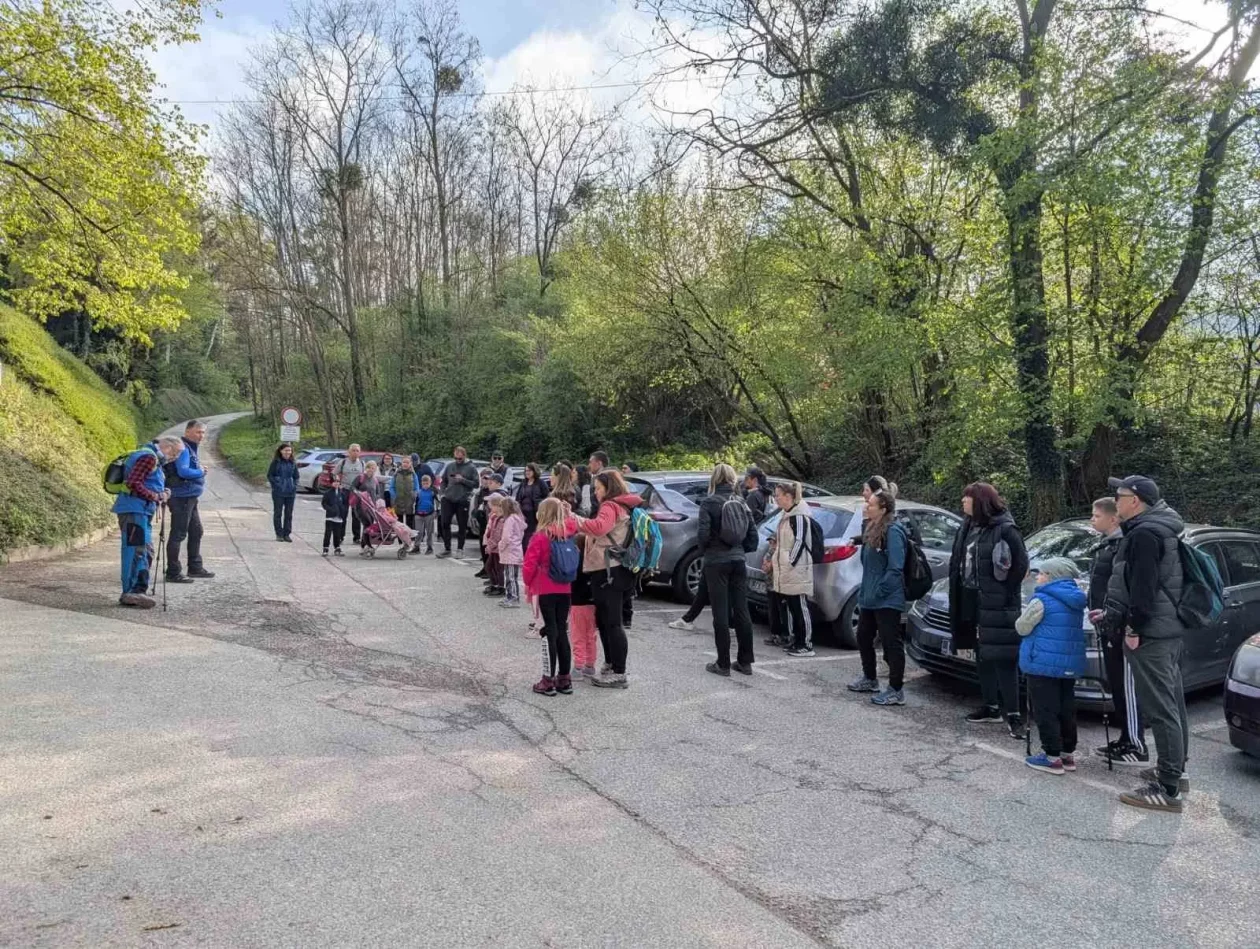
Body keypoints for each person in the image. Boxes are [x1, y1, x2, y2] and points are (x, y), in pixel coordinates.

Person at [1098, 475, 1191, 814]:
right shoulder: (1160, 528)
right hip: (1167, 631)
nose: (1116, 501)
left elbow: (1143, 588)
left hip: (1151, 634)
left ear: (1134, 501)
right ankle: (1176, 771)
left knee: (1161, 708)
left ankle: (1167, 788)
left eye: (1119, 496)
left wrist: (1133, 626)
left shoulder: (1145, 534)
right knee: (1173, 703)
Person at [948, 482, 1029, 738]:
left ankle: (1014, 714)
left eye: (967, 497)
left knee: (1004, 658)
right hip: (969, 600)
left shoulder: (1005, 530)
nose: (963, 501)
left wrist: (1002, 594)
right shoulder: (968, 526)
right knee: (979, 653)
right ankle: (990, 706)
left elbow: (1020, 567)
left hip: (998, 604)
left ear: (980, 501)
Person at [1087, 496, 1148, 766]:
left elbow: (1125, 588)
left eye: (1096, 516)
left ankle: (1136, 744)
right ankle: (1125, 737)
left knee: (1127, 685)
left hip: (1120, 625)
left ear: (1114, 518)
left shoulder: (1123, 545)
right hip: (1107, 623)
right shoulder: (1106, 545)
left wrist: (1123, 621)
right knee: (1116, 684)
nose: (1092, 519)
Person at [569, 469, 642, 689]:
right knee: (606, 620)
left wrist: (574, 518)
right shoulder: (626, 505)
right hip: (620, 570)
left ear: (608, 487)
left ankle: (618, 672)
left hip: (609, 570)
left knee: (612, 622)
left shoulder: (611, 506)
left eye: (599, 488)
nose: (597, 493)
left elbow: (599, 527)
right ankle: (610, 664)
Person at [1017, 558, 1088, 775]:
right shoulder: (1076, 599)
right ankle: (1068, 753)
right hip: (1067, 664)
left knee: (1045, 709)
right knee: (1066, 707)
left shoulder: (1042, 599)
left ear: (1051, 576)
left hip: (1042, 664)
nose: (1038, 577)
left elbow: (1022, 627)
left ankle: (1051, 756)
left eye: (1042, 573)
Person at [847, 489, 910, 705]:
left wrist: (881, 591)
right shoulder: (873, 528)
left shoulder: (893, 531)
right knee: (863, 637)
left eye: (872, 505)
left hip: (886, 599)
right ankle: (870, 678)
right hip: (869, 597)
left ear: (883, 509)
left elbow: (895, 567)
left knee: (891, 642)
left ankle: (895, 689)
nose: (867, 507)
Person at [698, 464, 758, 678]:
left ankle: (722, 663)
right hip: (738, 559)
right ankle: (745, 661)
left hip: (716, 561)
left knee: (720, 613)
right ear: (733, 479)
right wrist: (740, 550)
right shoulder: (741, 502)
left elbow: (703, 534)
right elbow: (753, 536)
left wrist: (705, 551)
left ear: (714, 479)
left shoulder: (709, 502)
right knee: (742, 610)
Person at [113, 436, 184, 608]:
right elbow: (133, 483)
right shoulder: (149, 457)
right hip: (134, 510)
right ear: (167, 446)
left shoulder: (150, 456)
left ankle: (138, 590)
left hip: (140, 510)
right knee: (136, 551)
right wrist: (156, 496)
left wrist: (162, 492)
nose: (174, 458)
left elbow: (141, 482)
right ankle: (131, 592)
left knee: (145, 550)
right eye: (174, 454)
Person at [523, 498, 577, 696]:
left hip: (545, 587)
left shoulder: (540, 536)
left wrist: (527, 583)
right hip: (565, 587)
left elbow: (529, 564)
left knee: (550, 631)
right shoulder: (568, 533)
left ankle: (548, 680)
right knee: (562, 630)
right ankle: (564, 679)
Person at [765, 481, 817, 657]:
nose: (776, 498)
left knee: (800, 607)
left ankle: (806, 644)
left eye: (778, 495)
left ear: (788, 497)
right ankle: (797, 640)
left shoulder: (799, 516)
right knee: (793, 607)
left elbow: (800, 541)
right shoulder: (786, 515)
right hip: (788, 570)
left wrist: (789, 562)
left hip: (797, 569)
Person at [165, 420, 214, 583]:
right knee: (178, 534)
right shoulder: (183, 448)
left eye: (203, 432)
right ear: (187, 432)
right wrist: (200, 471)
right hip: (181, 497)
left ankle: (195, 567)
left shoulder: (189, 447)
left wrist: (199, 470)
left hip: (189, 497)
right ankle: (173, 572)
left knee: (196, 531)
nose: (201, 436)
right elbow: (183, 471)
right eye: (198, 432)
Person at [437, 446, 479, 558]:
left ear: (464, 456)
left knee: (462, 525)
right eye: (456, 458)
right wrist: (442, 494)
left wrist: (463, 480)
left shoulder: (471, 467)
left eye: (459, 458)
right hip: (448, 498)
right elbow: (443, 481)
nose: (457, 460)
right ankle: (447, 548)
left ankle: (460, 549)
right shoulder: (450, 466)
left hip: (462, 500)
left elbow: (476, 484)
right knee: (444, 522)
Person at [569, 550, 599, 679]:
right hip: (593, 604)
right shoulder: (594, 564)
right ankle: (590, 665)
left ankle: (578, 667)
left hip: (577, 605)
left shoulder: (575, 565)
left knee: (578, 635)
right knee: (591, 636)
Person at [267, 443, 299, 542]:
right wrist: (276, 485)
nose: (288, 452)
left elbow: (296, 476)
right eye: (286, 450)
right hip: (278, 492)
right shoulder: (276, 462)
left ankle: (287, 534)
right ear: (281, 451)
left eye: (289, 450)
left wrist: (294, 486)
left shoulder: (292, 463)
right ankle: (279, 534)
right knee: (278, 513)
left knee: (288, 514)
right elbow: (270, 475)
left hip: (290, 492)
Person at [498, 496, 526, 609]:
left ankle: (513, 598)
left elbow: (506, 537)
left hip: (510, 551)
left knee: (510, 576)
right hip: (516, 549)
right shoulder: (518, 519)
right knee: (511, 576)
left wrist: (500, 545)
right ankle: (509, 596)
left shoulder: (510, 520)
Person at [336, 445, 367, 542]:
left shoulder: (362, 463)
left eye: (357, 451)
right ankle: (340, 536)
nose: (355, 452)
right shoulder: (343, 462)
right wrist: (337, 481)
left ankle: (356, 537)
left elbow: (366, 476)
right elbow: (334, 473)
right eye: (353, 450)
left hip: (357, 492)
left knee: (357, 515)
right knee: (343, 514)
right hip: (345, 490)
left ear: (360, 452)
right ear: (349, 452)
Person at [352, 461, 384, 549]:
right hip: (361, 505)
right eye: (370, 467)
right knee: (367, 523)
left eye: (373, 468)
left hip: (371, 506)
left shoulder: (375, 480)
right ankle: (367, 544)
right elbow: (353, 487)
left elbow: (377, 493)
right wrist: (358, 493)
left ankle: (364, 544)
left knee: (369, 524)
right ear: (366, 468)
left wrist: (378, 503)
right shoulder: (360, 477)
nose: (371, 470)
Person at [515, 463, 547, 545]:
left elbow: (546, 497)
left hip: (534, 513)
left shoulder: (540, 483)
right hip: (522, 513)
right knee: (523, 535)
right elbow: (518, 497)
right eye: (526, 471)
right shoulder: (523, 483)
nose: (527, 472)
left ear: (534, 471)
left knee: (531, 535)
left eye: (529, 470)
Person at [321, 476, 351, 556]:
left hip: (339, 516)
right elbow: (324, 503)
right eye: (335, 481)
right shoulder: (328, 493)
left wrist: (343, 510)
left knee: (337, 533)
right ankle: (325, 547)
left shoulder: (342, 493)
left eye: (338, 481)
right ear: (331, 483)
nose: (337, 483)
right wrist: (330, 509)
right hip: (330, 517)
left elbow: (345, 503)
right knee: (328, 533)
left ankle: (337, 547)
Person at [483, 496, 506, 597]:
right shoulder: (494, 517)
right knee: (489, 567)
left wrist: (490, 546)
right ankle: (494, 584)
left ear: (497, 506)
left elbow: (497, 535)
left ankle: (501, 587)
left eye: (491, 506)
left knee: (498, 568)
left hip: (498, 549)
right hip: (493, 548)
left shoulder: (501, 520)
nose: (490, 508)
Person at [391, 457, 419, 533]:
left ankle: (410, 537)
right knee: (399, 521)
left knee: (410, 520)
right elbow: (392, 486)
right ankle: (400, 539)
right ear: (401, 463)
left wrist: (414, 494)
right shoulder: (396, 473)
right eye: (404, 462)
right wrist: (394, 495)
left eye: (407, 462)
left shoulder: (413, 474)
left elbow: (417, 487)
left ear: (410, 464)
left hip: (410, 500)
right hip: (398, 500)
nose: (405, 464)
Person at [414, 473, 438, 554]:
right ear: (421, 483)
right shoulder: (418, 492)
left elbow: (438, 502)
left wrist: (436, 512)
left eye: (427, 483)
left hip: (429, 514)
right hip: (419, 515)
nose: (425, 485)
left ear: (430, 483)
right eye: (423, 483)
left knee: (430, 532)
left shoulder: (433, 492)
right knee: (418, 532)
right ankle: (417, 547)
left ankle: (430, 547)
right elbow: (414, 503)